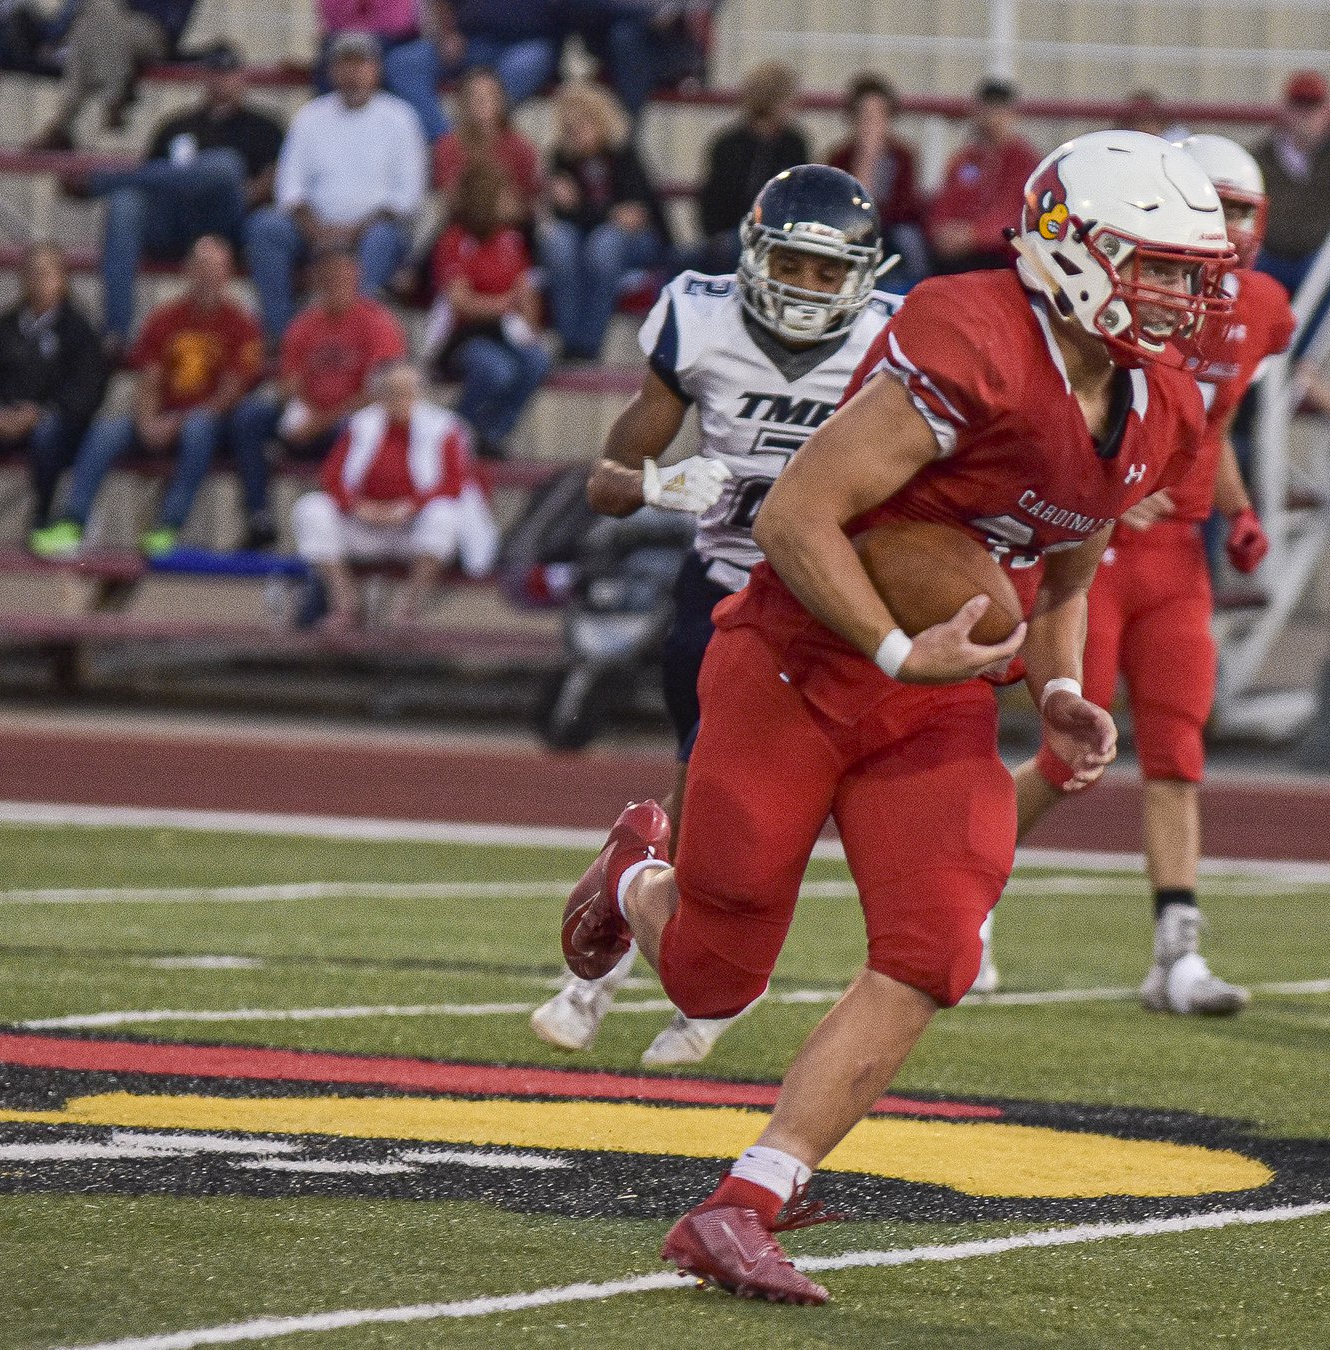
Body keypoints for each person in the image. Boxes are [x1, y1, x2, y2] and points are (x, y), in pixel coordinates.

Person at [557, 129, 1231, 1304]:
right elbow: (796, 518)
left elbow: (1066, 575)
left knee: (936, 944)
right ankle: (632, 882)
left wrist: (1060, 692)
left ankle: (746, 1201)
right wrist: (889, 645)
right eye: (1156, 265)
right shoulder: (973, 331)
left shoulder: (1160, 404)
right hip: (797, 663)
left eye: (1190, 272)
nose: (1179, 295)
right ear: (1072, 247)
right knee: (714, 979)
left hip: (935, 696)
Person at [530, 164, 899, 1064]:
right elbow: (606, 484)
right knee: (709, 798)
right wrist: (659, 482)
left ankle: (638, 954)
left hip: (846, 598)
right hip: (732, 592)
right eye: (793, 265)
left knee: (783, 807)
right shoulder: (699, 320)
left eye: (828, 272)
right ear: (752, 256)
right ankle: (625, 973)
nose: (808, 290)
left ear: (860, 275)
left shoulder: (899, 341)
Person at [990, 134, 1291, 1015]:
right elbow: (1075, 414)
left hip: (1178, 556)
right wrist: (1110, 494)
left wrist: (1236, 508)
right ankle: (959, 904)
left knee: (1178, 750)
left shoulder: (1263, 306)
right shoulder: (1119, 295)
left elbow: (1214, 423)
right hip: (1097, 548)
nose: (1229, 231)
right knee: (1069, 746)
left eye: (1243, 212)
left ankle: (1175, 953)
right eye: (1216, 208)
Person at [30, 236, 262, 560]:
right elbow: (149, 379)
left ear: (228, 274)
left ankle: (168, 526)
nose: (208, 276)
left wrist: (176, 422)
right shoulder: (164, 318)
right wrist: (147, 420)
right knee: (106, 431)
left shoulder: (242, 324)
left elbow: (231, 391)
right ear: (188, 270)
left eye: (216, 268)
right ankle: (73, 520)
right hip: (162, 415)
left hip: (211, 426)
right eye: (202, 267)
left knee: (198, 427)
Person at [66, 43, 285, 344]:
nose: (221, 81)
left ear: (242, 78)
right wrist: (184, 181)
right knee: (125, 203)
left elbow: (277, 182)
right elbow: (150, 182)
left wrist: (249, 189)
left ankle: (102, 182)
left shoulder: (265, 128)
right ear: (203, 78)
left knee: (225, 166)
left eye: (228, 73)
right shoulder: (176, 125)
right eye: (214, 73)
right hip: (175, 224)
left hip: (227, 225)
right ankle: (115, 333)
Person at [246, 31, 426, 349]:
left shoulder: (400, 117)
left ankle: (351, 338)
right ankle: (286, 339)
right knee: (265, 228)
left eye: (361, 64)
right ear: (332, 71)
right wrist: (319, 232)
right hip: (312, 228)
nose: (353, 73)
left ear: (376, 70)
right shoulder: (311, 116)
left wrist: (351, 232)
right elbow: (289, 188)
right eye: (345, 64)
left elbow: (405, 197)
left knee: (382, 239)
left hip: (373, 230)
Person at [229, 247, 408, 549]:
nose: (336, 282)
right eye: (330, 276)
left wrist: (321, 421)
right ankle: (259, 515)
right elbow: (289, 381)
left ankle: (344, 517)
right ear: (319, 280)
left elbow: (380, 393)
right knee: (250, 416)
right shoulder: (304, 324)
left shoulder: (378, 323)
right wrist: (300, 409)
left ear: (356, 277)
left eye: (343, 275)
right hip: (308, 416)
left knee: (354, 429)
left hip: (347, 422)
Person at [291, 362, 479, 628]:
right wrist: (357, 507)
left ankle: (407, 610)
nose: (401, 398)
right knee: (311, 508)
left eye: (409, 391)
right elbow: (331, 476)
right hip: (364, 523)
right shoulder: (361, 424)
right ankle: (346, 604)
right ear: (379, 394)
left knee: (445, 515)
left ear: (421, 393)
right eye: (392, 391)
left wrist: (410, 507)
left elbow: (454, 483)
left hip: (412, 527)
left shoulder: (444, 427)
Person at [537, 81, 671, 361]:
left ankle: (588, 344)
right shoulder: (561, 159)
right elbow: (565, 215)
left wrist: (585, 209)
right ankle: (568, 340)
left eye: (583, 124)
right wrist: (604, 213)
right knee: (558, 242)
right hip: (585, 239)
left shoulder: (623, 155)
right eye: (570, 127)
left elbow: (637, 215)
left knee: (604, 243)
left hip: (636, 242)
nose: (577, 133)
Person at [425, 161, 550, 458]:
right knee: (497, 370)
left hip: (503, 330)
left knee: (537, 360)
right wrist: (504, 305)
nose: (512, 200)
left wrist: (529, 325)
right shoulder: (455, 239)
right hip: (463, 335)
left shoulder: (511, 239)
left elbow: (526, 291)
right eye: (504, 194)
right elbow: (460, 301)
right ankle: (455, 430)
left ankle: (491, 433)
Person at [1, 245, 110, 544]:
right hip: (5, 418)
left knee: (48, 434)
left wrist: (39, 414)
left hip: (57, 423)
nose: (38, 280)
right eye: (31, 273)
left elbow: (87, 390)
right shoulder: (6, 327)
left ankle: (43, 513)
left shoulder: (78, 330)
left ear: (62, 279)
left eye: (45, 272)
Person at [1248, 70, 1330, 297]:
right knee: (1245, 277)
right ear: (1284, 109)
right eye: (1298, 105)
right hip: (1270, 259)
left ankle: (1308, 335)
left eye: (1313, 106)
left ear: (1328, 111)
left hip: (1320, 260)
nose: (1305, 114)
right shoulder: (1256, 160)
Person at [27, 0, 197, 151]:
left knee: (96, 18)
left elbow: (170, 21)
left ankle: (63, 124)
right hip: (113, 31)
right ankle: (115, 97)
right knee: (92, 22)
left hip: (154, 32)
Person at [691, 63, 809, 274]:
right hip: (732, 235)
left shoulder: (794, 145)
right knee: (687, 257)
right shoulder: (727, 145)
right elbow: (712, 202)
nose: (796, 105)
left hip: (778, 238)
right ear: (774, 100)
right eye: (790, 99)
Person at [391, 0, 561, 143]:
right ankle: (447, 143)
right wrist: (448, 32)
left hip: (523, 47)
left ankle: (483, 132)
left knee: (535, 58)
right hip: (468, 44)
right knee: (403, 63)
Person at [924, 78, 1039, 275]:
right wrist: (941, 231)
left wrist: (973, 235)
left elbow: (1015, 214)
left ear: (1011, 115)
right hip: (959, 253)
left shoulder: (1024, 160)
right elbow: (945, 203)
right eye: (988, 110)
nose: (992, 118)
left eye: (999, 111)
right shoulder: (964, 159)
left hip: (999, 255)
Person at [824, 72, 927, 290]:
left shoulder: (902, 155)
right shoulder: (840, 156)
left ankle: (913, 288)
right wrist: (865, 160)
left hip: (893, 226)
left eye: (878, 115)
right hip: (850, 227)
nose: (871, 124)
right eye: (864, 116)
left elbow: (906, 205)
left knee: (911, 240)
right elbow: (841, 205)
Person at [570, 0, 718, 116]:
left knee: (625, 35)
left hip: (670, 46)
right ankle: (617, 141)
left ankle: (621, 142)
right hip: (616, 38)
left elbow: (669, 15)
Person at [430, 67, 541, 203]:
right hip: (462, 221)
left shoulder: (520, 147)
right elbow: (449, 197)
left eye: (490, 95)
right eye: (477, 96)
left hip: (510, 222)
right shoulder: (448, 146)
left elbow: (528, 200)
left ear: (501, 100)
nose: (484, 102)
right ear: (464, 103)